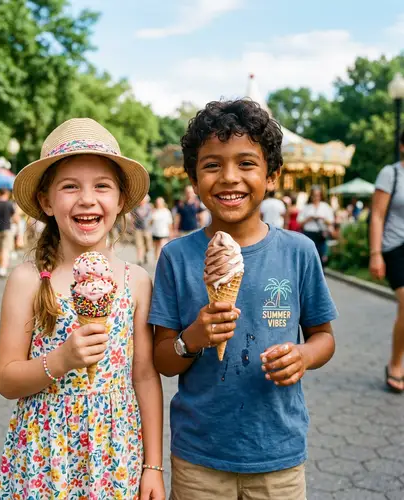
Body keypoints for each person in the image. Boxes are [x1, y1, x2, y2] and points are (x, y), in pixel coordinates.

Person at [149, 99, 337, 500]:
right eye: (212, 165)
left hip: (278, 455)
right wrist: (194, 337)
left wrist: (303, 356)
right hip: (199, 456)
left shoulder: (299, 251)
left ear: (272, 176)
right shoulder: (176, 257)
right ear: (194, 177)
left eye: (247, 164)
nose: (229, 177)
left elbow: (324, 337)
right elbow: (162, 359)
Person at [0, 118, 164, 499]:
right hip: (44, 454)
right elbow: (6, 379)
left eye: (101, 187)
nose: (87, 199)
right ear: (46, 202)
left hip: (115, 452)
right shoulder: (28, 279)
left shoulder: (135, 280)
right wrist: (62, 359)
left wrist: (153, 466)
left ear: (120, 201)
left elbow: (145, 377)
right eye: (70, 187)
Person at [369, 129, 404, 392]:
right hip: (396, 247)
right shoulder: (391, 174)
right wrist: (376, 253)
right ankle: (395, 364)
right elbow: (378, 216)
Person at [297, 185, 334, 266]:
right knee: (309, 256)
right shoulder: (306, 207)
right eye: (314, 195)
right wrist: (309, 218)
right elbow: (299, 222)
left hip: (320, 234)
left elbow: (331, 222)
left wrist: (322, 219)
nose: (316, 197)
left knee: (321, 256)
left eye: (318, 195)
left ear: (321, 196)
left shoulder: (325, 206)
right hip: (309, 233)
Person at [132, 194, 153, 266]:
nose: (141, 201)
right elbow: (133, 217)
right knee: (139, 244)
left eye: (143, 199)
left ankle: (145, 254)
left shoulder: (149, 207)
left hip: (147, 229)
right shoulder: (136, 208)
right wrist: (132, 226)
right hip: (138, 228)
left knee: (148, 245)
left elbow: (151, 218)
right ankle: (140, 259)